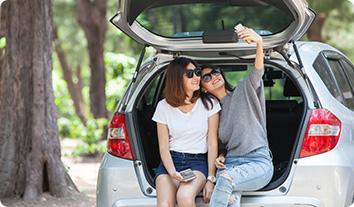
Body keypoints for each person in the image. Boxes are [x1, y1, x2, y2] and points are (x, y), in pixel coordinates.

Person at [200, 27, 274, 207]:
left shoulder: (244, 90)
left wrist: (259, 44)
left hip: (257, 161)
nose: (214, 77)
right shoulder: (211, 113)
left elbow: (257, 71)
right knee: (231, 201)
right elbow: (226, 142)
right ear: (203, 88)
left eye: (216, 71)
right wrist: (222, 154)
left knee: (225, 180)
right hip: (230, 165)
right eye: (207, 77)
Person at [152, 57, 221, 207]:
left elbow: (212, 142)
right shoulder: (163, 107)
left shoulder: (209, 103)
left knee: (184, 197)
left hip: (198, 162)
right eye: (190, 74)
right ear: (177, 78)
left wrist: (211, 178)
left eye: (197, 72)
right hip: (171, 162)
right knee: (164, 204)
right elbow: (163, 148)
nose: (197, 77)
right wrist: (172, 173)